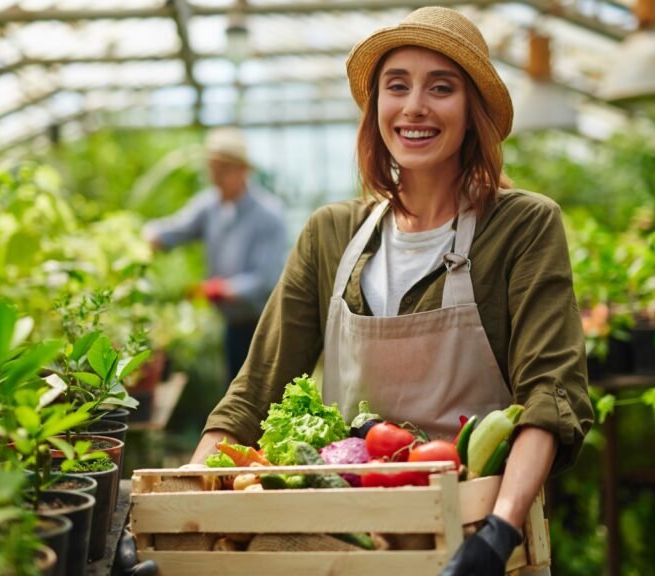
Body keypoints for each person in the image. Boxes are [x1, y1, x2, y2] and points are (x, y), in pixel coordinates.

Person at [189, 8, 593, 575]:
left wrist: (500, 531)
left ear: (472, 110)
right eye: (396, 85)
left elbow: (551, 394)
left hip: (474, 529)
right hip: (345, 539)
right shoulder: (331, 234)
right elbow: (252, 394)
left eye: (441, 87)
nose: (414, 106)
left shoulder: (521, 226)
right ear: (375, 104)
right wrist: (171, 509)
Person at [142, 127, 287, 383]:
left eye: (223, 170)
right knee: (236, 387)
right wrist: (145, 236)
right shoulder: (210, 206)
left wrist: (223, 289)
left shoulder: (269, 214)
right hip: (233, 322)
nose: (216, 178)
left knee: (263, 391)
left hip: (265, 325)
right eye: (212, 169)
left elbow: (266, 278)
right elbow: (177, 229)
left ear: (243, 170)